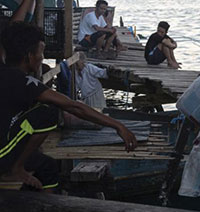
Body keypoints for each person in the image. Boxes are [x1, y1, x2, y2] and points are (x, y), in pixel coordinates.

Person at [0, 22, 137, 190]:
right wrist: (117, 125)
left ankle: (44, 203)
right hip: (2, 154)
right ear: (29, 56)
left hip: (5, 147)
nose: (42, 57)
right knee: (49, 112)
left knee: (47, 165)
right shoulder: (25, 83)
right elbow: (74, 107)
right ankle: (16, 169)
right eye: (41, 52)